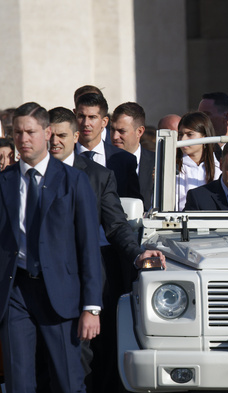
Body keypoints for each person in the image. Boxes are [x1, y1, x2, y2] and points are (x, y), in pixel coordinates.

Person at [48, 106, 164, 392]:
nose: (54, 142)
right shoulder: (26, 175)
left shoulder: (98, 176)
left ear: (75, 136)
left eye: (61, 135)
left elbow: (116, 225)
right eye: (49, 135)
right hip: (39, 283)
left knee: (87, 359)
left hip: (87, 279)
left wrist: (137, 254)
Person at [0, 102, 102, 392]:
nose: (23, 139)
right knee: (18, 383)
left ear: (47, 133)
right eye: (17, 132)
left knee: (68, 382)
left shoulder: (73, 180)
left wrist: (91, 307)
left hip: (60, 293)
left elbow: (88, 246)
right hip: (15, 293)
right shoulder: (4, 182)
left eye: (30, 132)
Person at [75, 93, 143, 201]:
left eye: (92, 117)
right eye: (81, 116)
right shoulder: (63, 157)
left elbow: (133, 203)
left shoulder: (124, 161)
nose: (86, 123)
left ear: (104, 122)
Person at [110, 102, 155, 211]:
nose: (115, 136)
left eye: (122, 131)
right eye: (112, 130)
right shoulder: (103, 162)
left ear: (139, 131)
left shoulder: (157, 163)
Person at [175, 111, 222, 211]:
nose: (182, 140)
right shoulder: (171, 166)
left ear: (205, 137)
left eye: (189, 134)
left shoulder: (220, 166)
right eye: (180, 134)